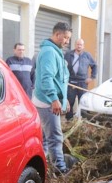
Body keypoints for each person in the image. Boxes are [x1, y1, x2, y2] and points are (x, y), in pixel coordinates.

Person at [33, 22, 73, 173]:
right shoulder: (49, 52)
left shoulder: (54, 50)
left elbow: (58, 79)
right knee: (55, 137)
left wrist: (64, 99)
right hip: (46, 102)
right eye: (66, 38)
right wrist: (54, 99)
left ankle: (41, 168)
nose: (67, 42)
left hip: (49, 100)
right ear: (57, 35)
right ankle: (59, 169)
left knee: (44, 137)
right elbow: (47, 78)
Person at [64, 38, 97, 121]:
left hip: (82, 82)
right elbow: (62, 66)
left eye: (81, 45)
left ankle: (82, 120)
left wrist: (92, 77)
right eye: (78, 44)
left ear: (83, 46)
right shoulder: (68, 54)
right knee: (70, 102)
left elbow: (95, 66)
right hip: (71, 82)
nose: (79, 46)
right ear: (75, 45)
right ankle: (69, 120)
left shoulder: (87, 55)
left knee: (82, 102)